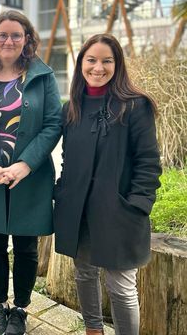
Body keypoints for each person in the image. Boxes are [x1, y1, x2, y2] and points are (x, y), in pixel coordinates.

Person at [0, 10, 62, 335]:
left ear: (27, 39)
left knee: (26, 247)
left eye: (16, 35)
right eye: (2, 34)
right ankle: (0, 304)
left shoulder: (42, 75)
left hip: (29, 176)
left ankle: (20, 309)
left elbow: (53, 124)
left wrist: (25, 164)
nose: (8, 40)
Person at [53, 34, 161, 335]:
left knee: (121, 286)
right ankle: (93, 330)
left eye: (106, 60)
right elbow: (68, 158)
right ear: (81, 63)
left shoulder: (135, 106)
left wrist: (137, 205)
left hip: (120, 212)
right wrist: (62, 191)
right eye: (91, 60)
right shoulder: (71, 108)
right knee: (84, 273)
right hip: (79, 209)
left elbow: (148, 163)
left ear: (117, 65)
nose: (98, 67)